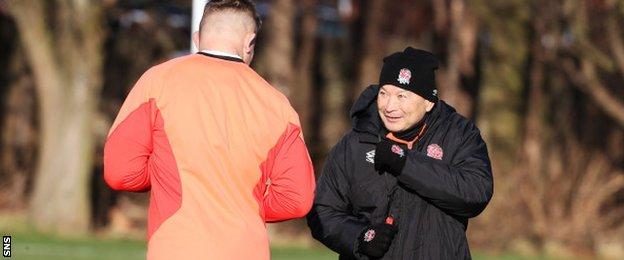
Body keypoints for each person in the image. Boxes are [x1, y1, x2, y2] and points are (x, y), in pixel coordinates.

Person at [103, 1, 315, 259]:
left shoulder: (157, 82)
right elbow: (297, 199)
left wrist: (167, 178)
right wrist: (243, 204)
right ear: (250, 42)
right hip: (246, 249)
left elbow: (120, 171)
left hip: (175, 247)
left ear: (197, 37)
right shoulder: (277, 105)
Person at [307, 47, 493, 259]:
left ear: (428, 102)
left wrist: (405, 163)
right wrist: (361, 237)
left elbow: (476, 193)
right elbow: (323, 212)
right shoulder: (356, 143)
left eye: (402, 96)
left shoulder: (459, 135)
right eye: (384, 94)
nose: (389, 106)